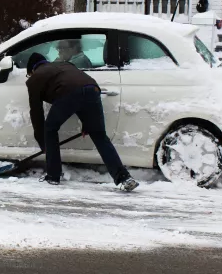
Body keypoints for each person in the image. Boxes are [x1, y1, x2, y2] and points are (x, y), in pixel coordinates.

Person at [25, 52, 139, 191]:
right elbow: (79, 89)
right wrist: (88, 123)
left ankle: (53, 176)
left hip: (69, 93)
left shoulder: (35, 78)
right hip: (92, 88)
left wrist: (43, 141)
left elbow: (36, 112)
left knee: (50, 129)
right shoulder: (65, 64)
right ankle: (124, 177)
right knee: (99, 135)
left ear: (32, 70)